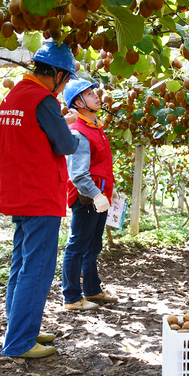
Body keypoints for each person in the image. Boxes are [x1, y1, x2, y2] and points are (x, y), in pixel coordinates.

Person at [0, 42, 79, 359]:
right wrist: (71, 127)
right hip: (39, 194)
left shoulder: (13, 95)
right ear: (56, 74)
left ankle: (20, 328)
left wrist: (59, 118)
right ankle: (20, 342)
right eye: (66, 79)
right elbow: (65, 145)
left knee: (21, 264)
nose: (65, 85)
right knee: (37, 268)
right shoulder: (43, 99)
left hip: (17, 191)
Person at [60, 79, 119, 311]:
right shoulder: (79, 131)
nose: (95, 96)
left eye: (93, 91)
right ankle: (72, 298)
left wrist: (108, 192)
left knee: (93, 245)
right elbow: (77, 174)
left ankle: (92, 290)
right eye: (88, 93)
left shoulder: (96, 127)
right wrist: (96, 194)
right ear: (77, 102)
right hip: (86, 198)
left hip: (99, 196)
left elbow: (100, 165)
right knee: (77, 246)